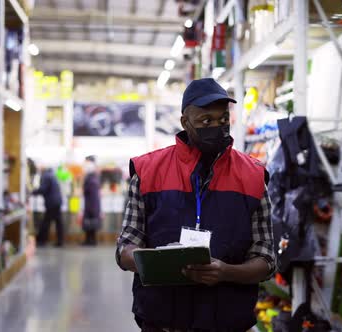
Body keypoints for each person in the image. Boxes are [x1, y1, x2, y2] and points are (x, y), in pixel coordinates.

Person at [116, 78, 275, 332]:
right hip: (162, 321)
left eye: (223, 120)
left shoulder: (253, 177)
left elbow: (266, 259)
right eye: (206, 121)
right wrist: (158, 263)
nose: (217, 126)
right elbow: (124, 249)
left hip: (227, 321)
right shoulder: (148, 172)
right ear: (185, 122)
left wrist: (226, 272)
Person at [32, 167, 64, 247]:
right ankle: (60, 241)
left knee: (46, 221)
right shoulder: (52, 175)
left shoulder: (46, 176)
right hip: (57, 201)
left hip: (51, 202)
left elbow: (43, 189)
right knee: (58, 222)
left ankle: (42, 240)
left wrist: (33, 192)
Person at [82, 155, 101, 246]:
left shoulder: (91, 179)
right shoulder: (94, 178)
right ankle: (89, 240)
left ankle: (91, 240)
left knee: (90, 223)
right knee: (90, 223)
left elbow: (88, 191)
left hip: (91, 204)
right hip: (92, 204)